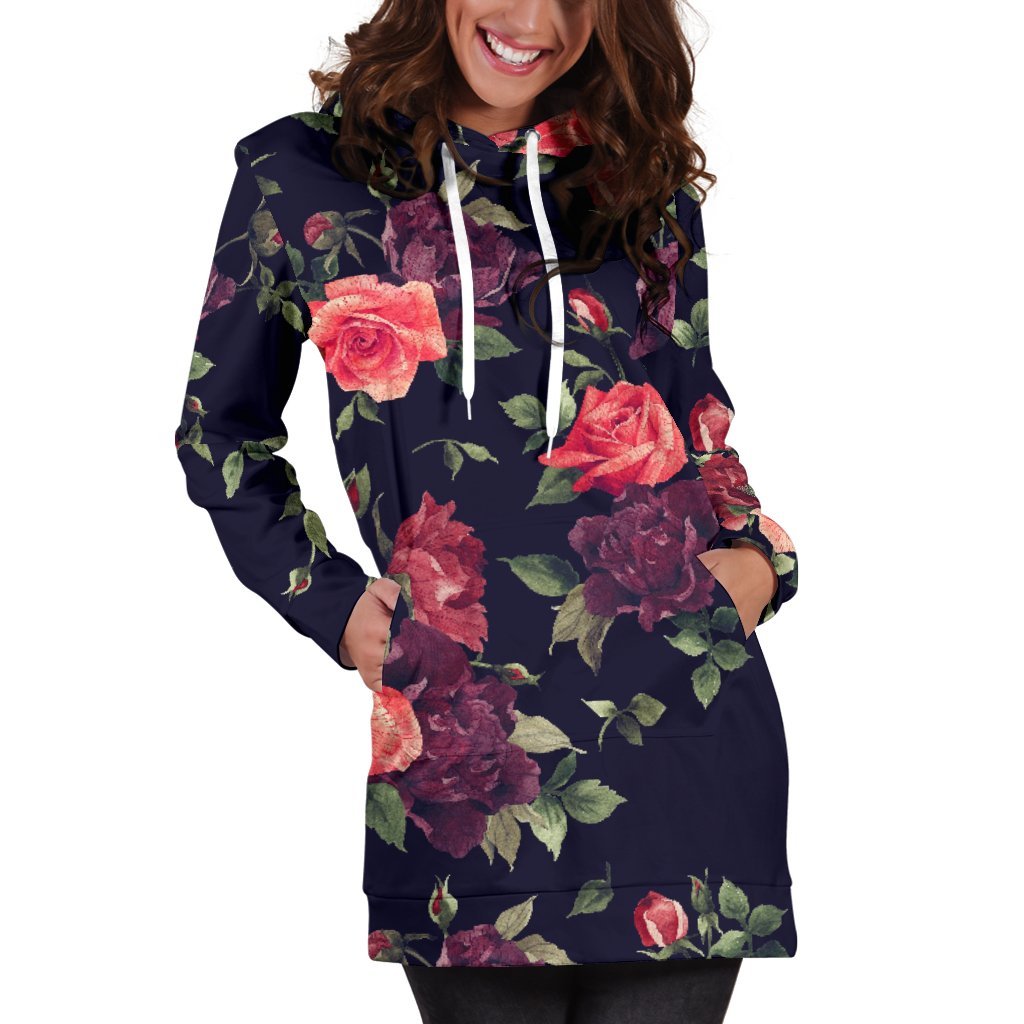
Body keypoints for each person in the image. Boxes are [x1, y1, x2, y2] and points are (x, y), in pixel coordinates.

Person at [173, 1, 800, 1020]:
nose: (531, 18)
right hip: (461, 764)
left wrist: (760, 559)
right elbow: (219, 431)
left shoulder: (642, 180)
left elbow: (697, 424)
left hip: (683, 752)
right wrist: (328, 603)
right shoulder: (300, 178)